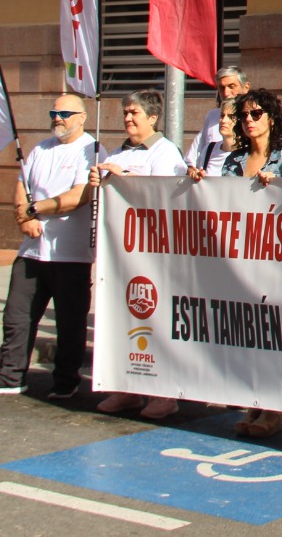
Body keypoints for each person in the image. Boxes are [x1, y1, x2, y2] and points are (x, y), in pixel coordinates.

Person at [0, 94, 101, 399]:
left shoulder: (92, 150)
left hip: (71, 253)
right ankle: (10, 375)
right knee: (17, 315)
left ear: (82, 117)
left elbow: (80, 195)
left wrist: (35, 208)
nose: (58, 118)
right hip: (31, 250)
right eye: (53, 112)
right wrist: (23, 217)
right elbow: (21, 184)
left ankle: (66, 379)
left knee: (70, 322)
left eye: (65, 113)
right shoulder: (40, 148)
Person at [90, 90, 188, 420]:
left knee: (157, 322)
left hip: (156, 254)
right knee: (123, 320)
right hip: (122, 255)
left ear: (153, 118)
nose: (128, 118)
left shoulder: (165, 152)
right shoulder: (119, 151)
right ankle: (126, 388)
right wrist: (100, 180)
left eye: (134, 113)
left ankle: (163, 394)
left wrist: (125, 179)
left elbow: (167, 195)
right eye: (126, 113)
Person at [219, 88, 282, 437]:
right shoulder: (233, 161)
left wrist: (278, 189)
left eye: (256, 114)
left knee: (273, 336)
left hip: (275, 259)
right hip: (239, 258)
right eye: (243, 116)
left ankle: (274, 409)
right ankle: (253, 405)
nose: (249, 121)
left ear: (271, 118)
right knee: (249, 336)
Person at [186, 67, 249, 178]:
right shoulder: (212, 116)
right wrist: (194, 173)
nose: (226, 93)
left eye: (231, 86)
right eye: (221, 87)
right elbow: (193, 157)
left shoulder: (253, 116)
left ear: (246, 87)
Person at [186, 97, 238, 180]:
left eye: (231, 117)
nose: (223, 120)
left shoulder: (245, 153)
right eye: (222, 115)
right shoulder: (210, 148)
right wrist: (196, 175)